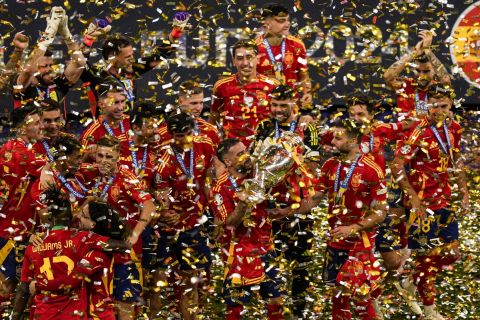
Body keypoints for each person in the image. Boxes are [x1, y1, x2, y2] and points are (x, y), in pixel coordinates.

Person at [391, 85, 469, 319]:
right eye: (433, 105)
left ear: (450, 105)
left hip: (443, 198)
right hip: (421, 204)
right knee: (427, 257)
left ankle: (408, 282)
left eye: (443, 106)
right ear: (427, 105)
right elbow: (396, 165)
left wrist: (463, 190)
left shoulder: (454, 128)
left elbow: (455, 159)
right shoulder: (417, 130)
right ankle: (430, 311)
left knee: (452, 252)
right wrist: (413, 198)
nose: (438, 110)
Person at [10, 187, 131, 320]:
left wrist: (38, 285)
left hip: (52, 314)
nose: (78, 216)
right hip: (78, 314)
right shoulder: (85, 240)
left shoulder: (34, 246)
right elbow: (123, 247)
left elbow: (24, 290)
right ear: (69, 216)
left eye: (83, 216)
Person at [252, 84, 320, 317]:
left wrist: (286, 160)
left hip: (298, 204)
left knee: (300, 262)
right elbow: (254, 160)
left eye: (283, 105)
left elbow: (312, 166)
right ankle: (272, 308)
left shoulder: (307, 127)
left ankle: (300, 310)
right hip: (268, 204)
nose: (278, 110)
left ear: (295, 104)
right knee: (269, 259)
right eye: (274, 105)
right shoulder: (263, 126)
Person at [76, 136, 155, 320]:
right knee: (96, 305)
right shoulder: (89, 174)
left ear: (119, 156)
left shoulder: (126, 177)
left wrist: (135, 234)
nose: (104, 161)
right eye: (100, 156)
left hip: (124, 252)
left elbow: (149, 205)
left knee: (124, 304)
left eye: (109, 157)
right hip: (97, 251)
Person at [318, 120, 387, 319]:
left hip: (360, 243)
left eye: (338, 138)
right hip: (336, 239)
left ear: (353, 140)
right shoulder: (330, 165)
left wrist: (354, 227)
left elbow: (380, 213)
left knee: (359, 297)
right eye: (332, 137)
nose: (332, 142)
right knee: (338, 295)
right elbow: (314, 199)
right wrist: (285, 210)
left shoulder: (371, 169)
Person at [150, 112, 215, 320]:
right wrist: (169, 215)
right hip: (169, 228)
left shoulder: (205, 144)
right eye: (178, 136)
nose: (183, 140)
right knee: (158, 281)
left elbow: (210, 178)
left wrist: (212, 208)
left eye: (187, 134)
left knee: (194, 280)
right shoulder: (163, 161)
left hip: (195, 223)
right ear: (171, 135)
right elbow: (163, 203)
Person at [80, 12, 190, 116]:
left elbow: (161, 54)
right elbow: (81, 66)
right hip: (107, 131)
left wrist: (176, 32)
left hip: (128, 129)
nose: (132, 60)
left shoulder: (131, 70)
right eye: (127, 57)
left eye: (132, 55)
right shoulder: (99, 76)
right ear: (111, 58)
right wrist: (88, 40)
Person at [0, 105, 46, 297]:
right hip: (14, 231)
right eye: (37, 123)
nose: (42, 126)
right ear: (22, 128)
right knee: (9, 288)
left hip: (17, 228)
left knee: (15, 288)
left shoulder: (8, 148)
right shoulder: (25, 155)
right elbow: (55, 172)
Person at [210, 39, 279, 147]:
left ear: (257, 59)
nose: (245, 63)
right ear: (233, 61)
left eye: (249, 57)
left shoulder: (273, 85)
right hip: (233, 151)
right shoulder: (222, 86)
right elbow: (213, 119)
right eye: (240, 58)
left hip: (264, 149)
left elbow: (285, 116)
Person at [14, 6, 86, 108]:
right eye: (44, 66)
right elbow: (28, 71)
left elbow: (80, 64)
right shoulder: (22, 86)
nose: (49, 69)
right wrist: (48, 36)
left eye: (51, 65)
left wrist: (66, 35)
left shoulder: (58, 85)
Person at [256, 3, 312, 111]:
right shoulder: (254, 49)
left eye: (287, 20)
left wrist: (307, 93)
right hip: (264, 107)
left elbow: (303, 74)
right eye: (281, 20)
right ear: (266, 23)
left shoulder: (297, 45)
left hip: (292, 106)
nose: (287, 24)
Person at [383, 30, 451, 116]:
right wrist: (414, 54)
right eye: (418, 70)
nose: (421, 76)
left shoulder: (439, 89)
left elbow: (446, 80)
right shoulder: (406, 85)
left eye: (426, 71)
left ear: (434, 70)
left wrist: (427, 50)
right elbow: (387, 76)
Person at [80, 80, 131, 162]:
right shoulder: (91, 135)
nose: (121, 107)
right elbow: (81, 168)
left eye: (123, 101)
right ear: (101, 105)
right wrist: (88, 154)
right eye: (115, 103)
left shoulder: (131, 122)